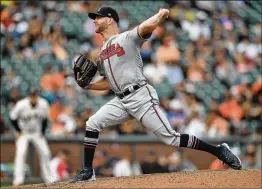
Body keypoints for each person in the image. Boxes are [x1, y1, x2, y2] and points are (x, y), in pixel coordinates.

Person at [70, 7, 242, 183]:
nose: (94, 21)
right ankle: (88, 171)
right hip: (121, 100)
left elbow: (144, 27)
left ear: (109, 19)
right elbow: (109, 83)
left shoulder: (126, 38)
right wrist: (90, 86)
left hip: (140, 96)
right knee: (92, 123)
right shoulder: (101, 55)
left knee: (172, 138)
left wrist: (160, 15)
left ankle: (218, 150)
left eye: (97, 18)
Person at [9, 88, 55, 186]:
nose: (33, 98)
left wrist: (42, 131)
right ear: (28, 96)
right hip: (23, 133)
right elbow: (12, 117)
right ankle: (18, 180)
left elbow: (45, 119)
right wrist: (17, 131)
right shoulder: (21, 104)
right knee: (21, 153)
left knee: (45, 152)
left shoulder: (43, 104)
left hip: (37, 132)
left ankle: (49, 178)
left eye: (35, 95)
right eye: (31, 96)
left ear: (37, 96)